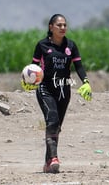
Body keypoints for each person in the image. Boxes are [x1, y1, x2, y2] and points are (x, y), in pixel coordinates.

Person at [21, 13, 92, 174]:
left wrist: (86, 82)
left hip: (64, 89)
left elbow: (79, 67)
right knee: (52, 120)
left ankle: (48, 162)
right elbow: (34, 68)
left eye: (65, 25)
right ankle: (54, 158)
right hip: (45, 88)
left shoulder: (71, 46)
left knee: (56, 126)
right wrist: (28, 81)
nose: (63, 28)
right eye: (59, 25)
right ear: (51, 27)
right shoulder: (42, 45)